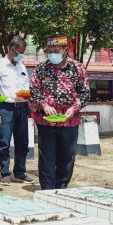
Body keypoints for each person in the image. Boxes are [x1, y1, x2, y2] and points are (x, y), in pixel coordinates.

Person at [30, 36, 90, 190]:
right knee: (47, 157)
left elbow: (85, 93)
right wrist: (43, 104)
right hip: (46, 121)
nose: (52, 54)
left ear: (65, 50)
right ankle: (47, 190)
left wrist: (74, 108)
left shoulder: (77, 68)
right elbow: (34, 90)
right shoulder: (42, 68)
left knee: (67, 157)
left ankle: (62, 188)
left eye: (55, 51)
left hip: (70, 120)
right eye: (49, 51)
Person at [0, 35, 34, 186]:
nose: (21, 54)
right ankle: (5, 172)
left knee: (23, 142)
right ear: (12, 49)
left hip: (21, 108)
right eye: (21, 51)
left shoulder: (21, 66)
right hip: (5, 108)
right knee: (4, 142)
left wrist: (28, 99)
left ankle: (20, 171)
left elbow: (26, 88)